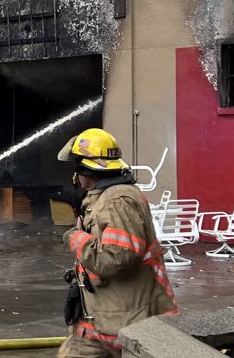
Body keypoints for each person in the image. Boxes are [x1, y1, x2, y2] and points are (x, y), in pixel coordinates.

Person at [57, 128, 178, 358]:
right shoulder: (103, 198)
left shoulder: (117, 202)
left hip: (129, 321)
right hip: (101, 319)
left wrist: (75, 237)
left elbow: (117, 259)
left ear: (86, 169)